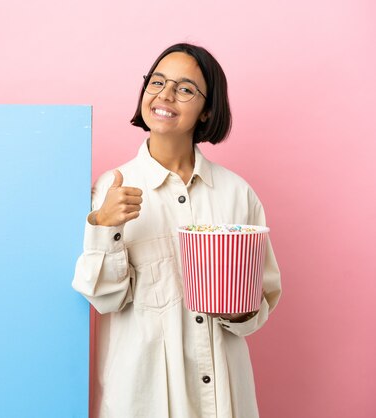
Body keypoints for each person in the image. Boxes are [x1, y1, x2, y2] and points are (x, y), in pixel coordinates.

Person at [72, 43, 282, 418]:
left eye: (185, 88)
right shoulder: (110, 189)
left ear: (208, 110)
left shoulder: (237, 193)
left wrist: (237, 309)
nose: (165, 95)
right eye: (157, 82)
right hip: (143, 398)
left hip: (223, 397)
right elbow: (104, 299)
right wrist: (106, 226)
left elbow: (261, 300)